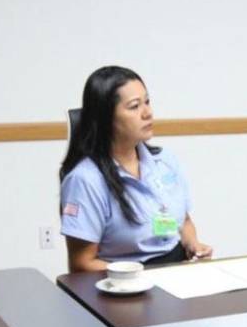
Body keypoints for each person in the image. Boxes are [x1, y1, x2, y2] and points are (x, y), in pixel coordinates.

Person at [59, 66, 211, 272]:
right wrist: (144, 276)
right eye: (134, 106)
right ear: (106, 117)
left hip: (176, 272)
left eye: (147, 102)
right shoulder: (86, 179)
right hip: (125, 280)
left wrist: (193, 245)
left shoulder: (164, 161)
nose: (148, 113)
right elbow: (82, 264)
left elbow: (183, 220)